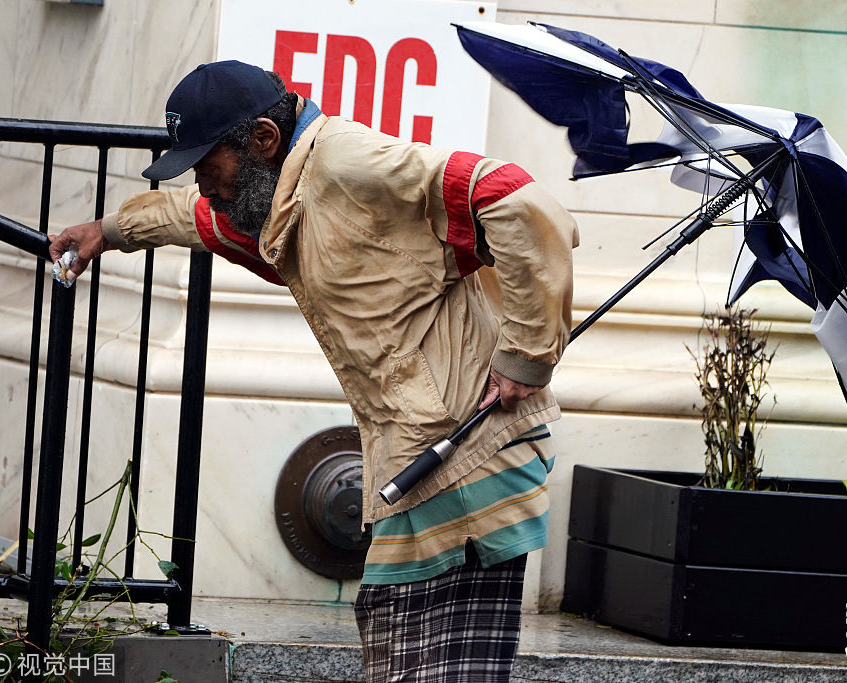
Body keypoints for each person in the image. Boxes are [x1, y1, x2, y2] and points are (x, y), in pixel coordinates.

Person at [50, 60, 578, 681]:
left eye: (207, 164)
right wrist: (109, 231)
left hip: (471, 458)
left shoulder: (348, 163)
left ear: (264, 139)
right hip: (422, 457)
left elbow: (513, 197)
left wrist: (526, 356)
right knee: (397, 644)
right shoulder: (283, 194)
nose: (202, 183)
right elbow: (194, 215)